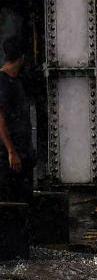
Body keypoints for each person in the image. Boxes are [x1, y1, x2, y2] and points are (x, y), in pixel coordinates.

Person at [0, 36, 34, 203]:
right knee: (12, 201)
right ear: (22, 58)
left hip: (18, 152)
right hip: (9, 155)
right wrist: (11, 151)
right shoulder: (4, 82)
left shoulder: (14, 81)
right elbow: (0, 119)